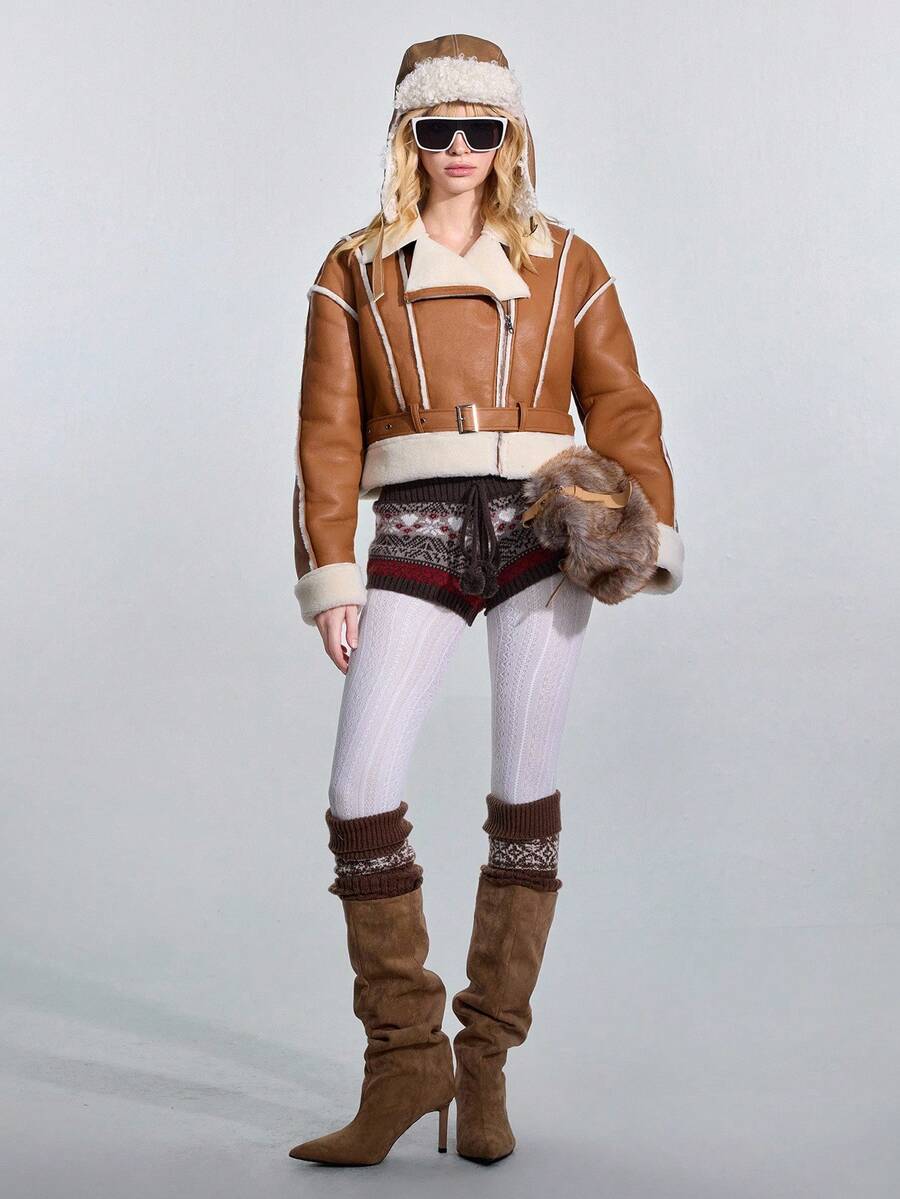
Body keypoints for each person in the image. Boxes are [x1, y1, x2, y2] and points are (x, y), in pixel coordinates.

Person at [288, 33, 684, 1166]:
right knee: (360, 786)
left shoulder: (569, 260)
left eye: (482, 126)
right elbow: (326, 431)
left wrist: (641, 529)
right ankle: (405, 1057)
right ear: (406, 137)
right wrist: (332, 571)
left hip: (539, 527)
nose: (460, 147)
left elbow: (624, 403)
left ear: (510, 136)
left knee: (525, 789)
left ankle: (487, 1062)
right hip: (414, 525)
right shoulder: (354, 268)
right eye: (437, 127)